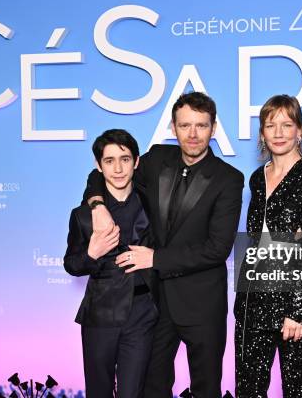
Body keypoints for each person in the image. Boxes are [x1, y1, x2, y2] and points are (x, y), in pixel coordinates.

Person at [84, 92, 244, 398]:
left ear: (213, 128)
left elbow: (217, 248)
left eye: (201, 125)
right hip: (154, 305)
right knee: (152, 388)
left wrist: (155, 258)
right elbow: (101, 174)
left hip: (202, 304)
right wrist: (97, 205)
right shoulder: (156, 159)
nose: (193, 134)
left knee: (206, 388)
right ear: (173, 127)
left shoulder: (229, 179)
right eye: (185, 125)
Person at [233, 95, 302, 397]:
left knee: (298, 392)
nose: (278, 133)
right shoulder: (257, 178)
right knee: (248, 391)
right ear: (262, 133)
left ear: (300, 131)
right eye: (270, 125)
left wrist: (299, 311)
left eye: (286, 125)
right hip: (254, 303)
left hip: (296, 308)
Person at [64, 129, 158, 398]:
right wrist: (91, 254)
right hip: (100, 315)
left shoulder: (154, 204)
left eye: (125, 159)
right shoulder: (83, 215)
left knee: (132, 392)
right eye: (109, 161)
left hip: (143, 314)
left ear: (136, 162)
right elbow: (71, 264)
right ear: (98, 165)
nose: (118, 168)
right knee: (99, 391)